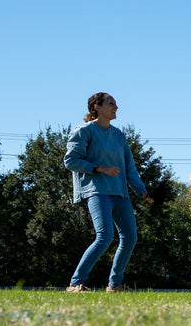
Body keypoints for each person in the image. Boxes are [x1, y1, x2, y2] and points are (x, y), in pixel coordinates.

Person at [64, 93, 151, 291]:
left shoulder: (119, 135)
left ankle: (114, 285)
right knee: (104, 236)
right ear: (97, 107)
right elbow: (70, 161)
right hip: (97, 191)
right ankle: (75, 283)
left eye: (115, 103)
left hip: (120, 193)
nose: (116, 107)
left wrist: (143, 192)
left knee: (130, 238)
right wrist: (100, 168)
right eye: (111, 103)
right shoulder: (84, 131)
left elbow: (130, 168)